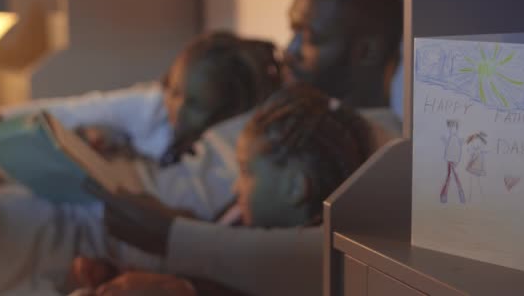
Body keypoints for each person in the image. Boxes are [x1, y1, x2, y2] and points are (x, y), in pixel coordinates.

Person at [0, 0, 403, 295]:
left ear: (364, 51)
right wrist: (115, 143)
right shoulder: (285, 97)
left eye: (307, 37)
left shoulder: (374, 146)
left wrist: (175, 236)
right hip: (107, 196)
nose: (287, 51)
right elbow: (166, 118)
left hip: (116, 230)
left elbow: (321, 257)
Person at [71, 84, 377, 295]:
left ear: (295, 187)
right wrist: (116, 275)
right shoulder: (240, 220)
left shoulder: (299, 270)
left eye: (246, 173)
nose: (235, 186)